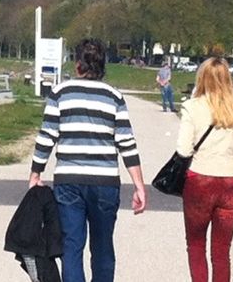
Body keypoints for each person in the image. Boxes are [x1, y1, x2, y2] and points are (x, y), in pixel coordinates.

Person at [28, 38, 146, 282]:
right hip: (105, 184)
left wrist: (35, 173)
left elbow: (47, 137)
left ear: (78, 64)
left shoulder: (60, 93)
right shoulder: (114, 97)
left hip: (69, 181)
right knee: (103, 248)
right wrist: (139, 185)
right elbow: (126, 143)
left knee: (72, 247)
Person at [176, 57, 233, 282]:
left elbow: (183, 149)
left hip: (200, 179)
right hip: (229, 182)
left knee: (196, 244)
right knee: (222, 252)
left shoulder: (192, 107)